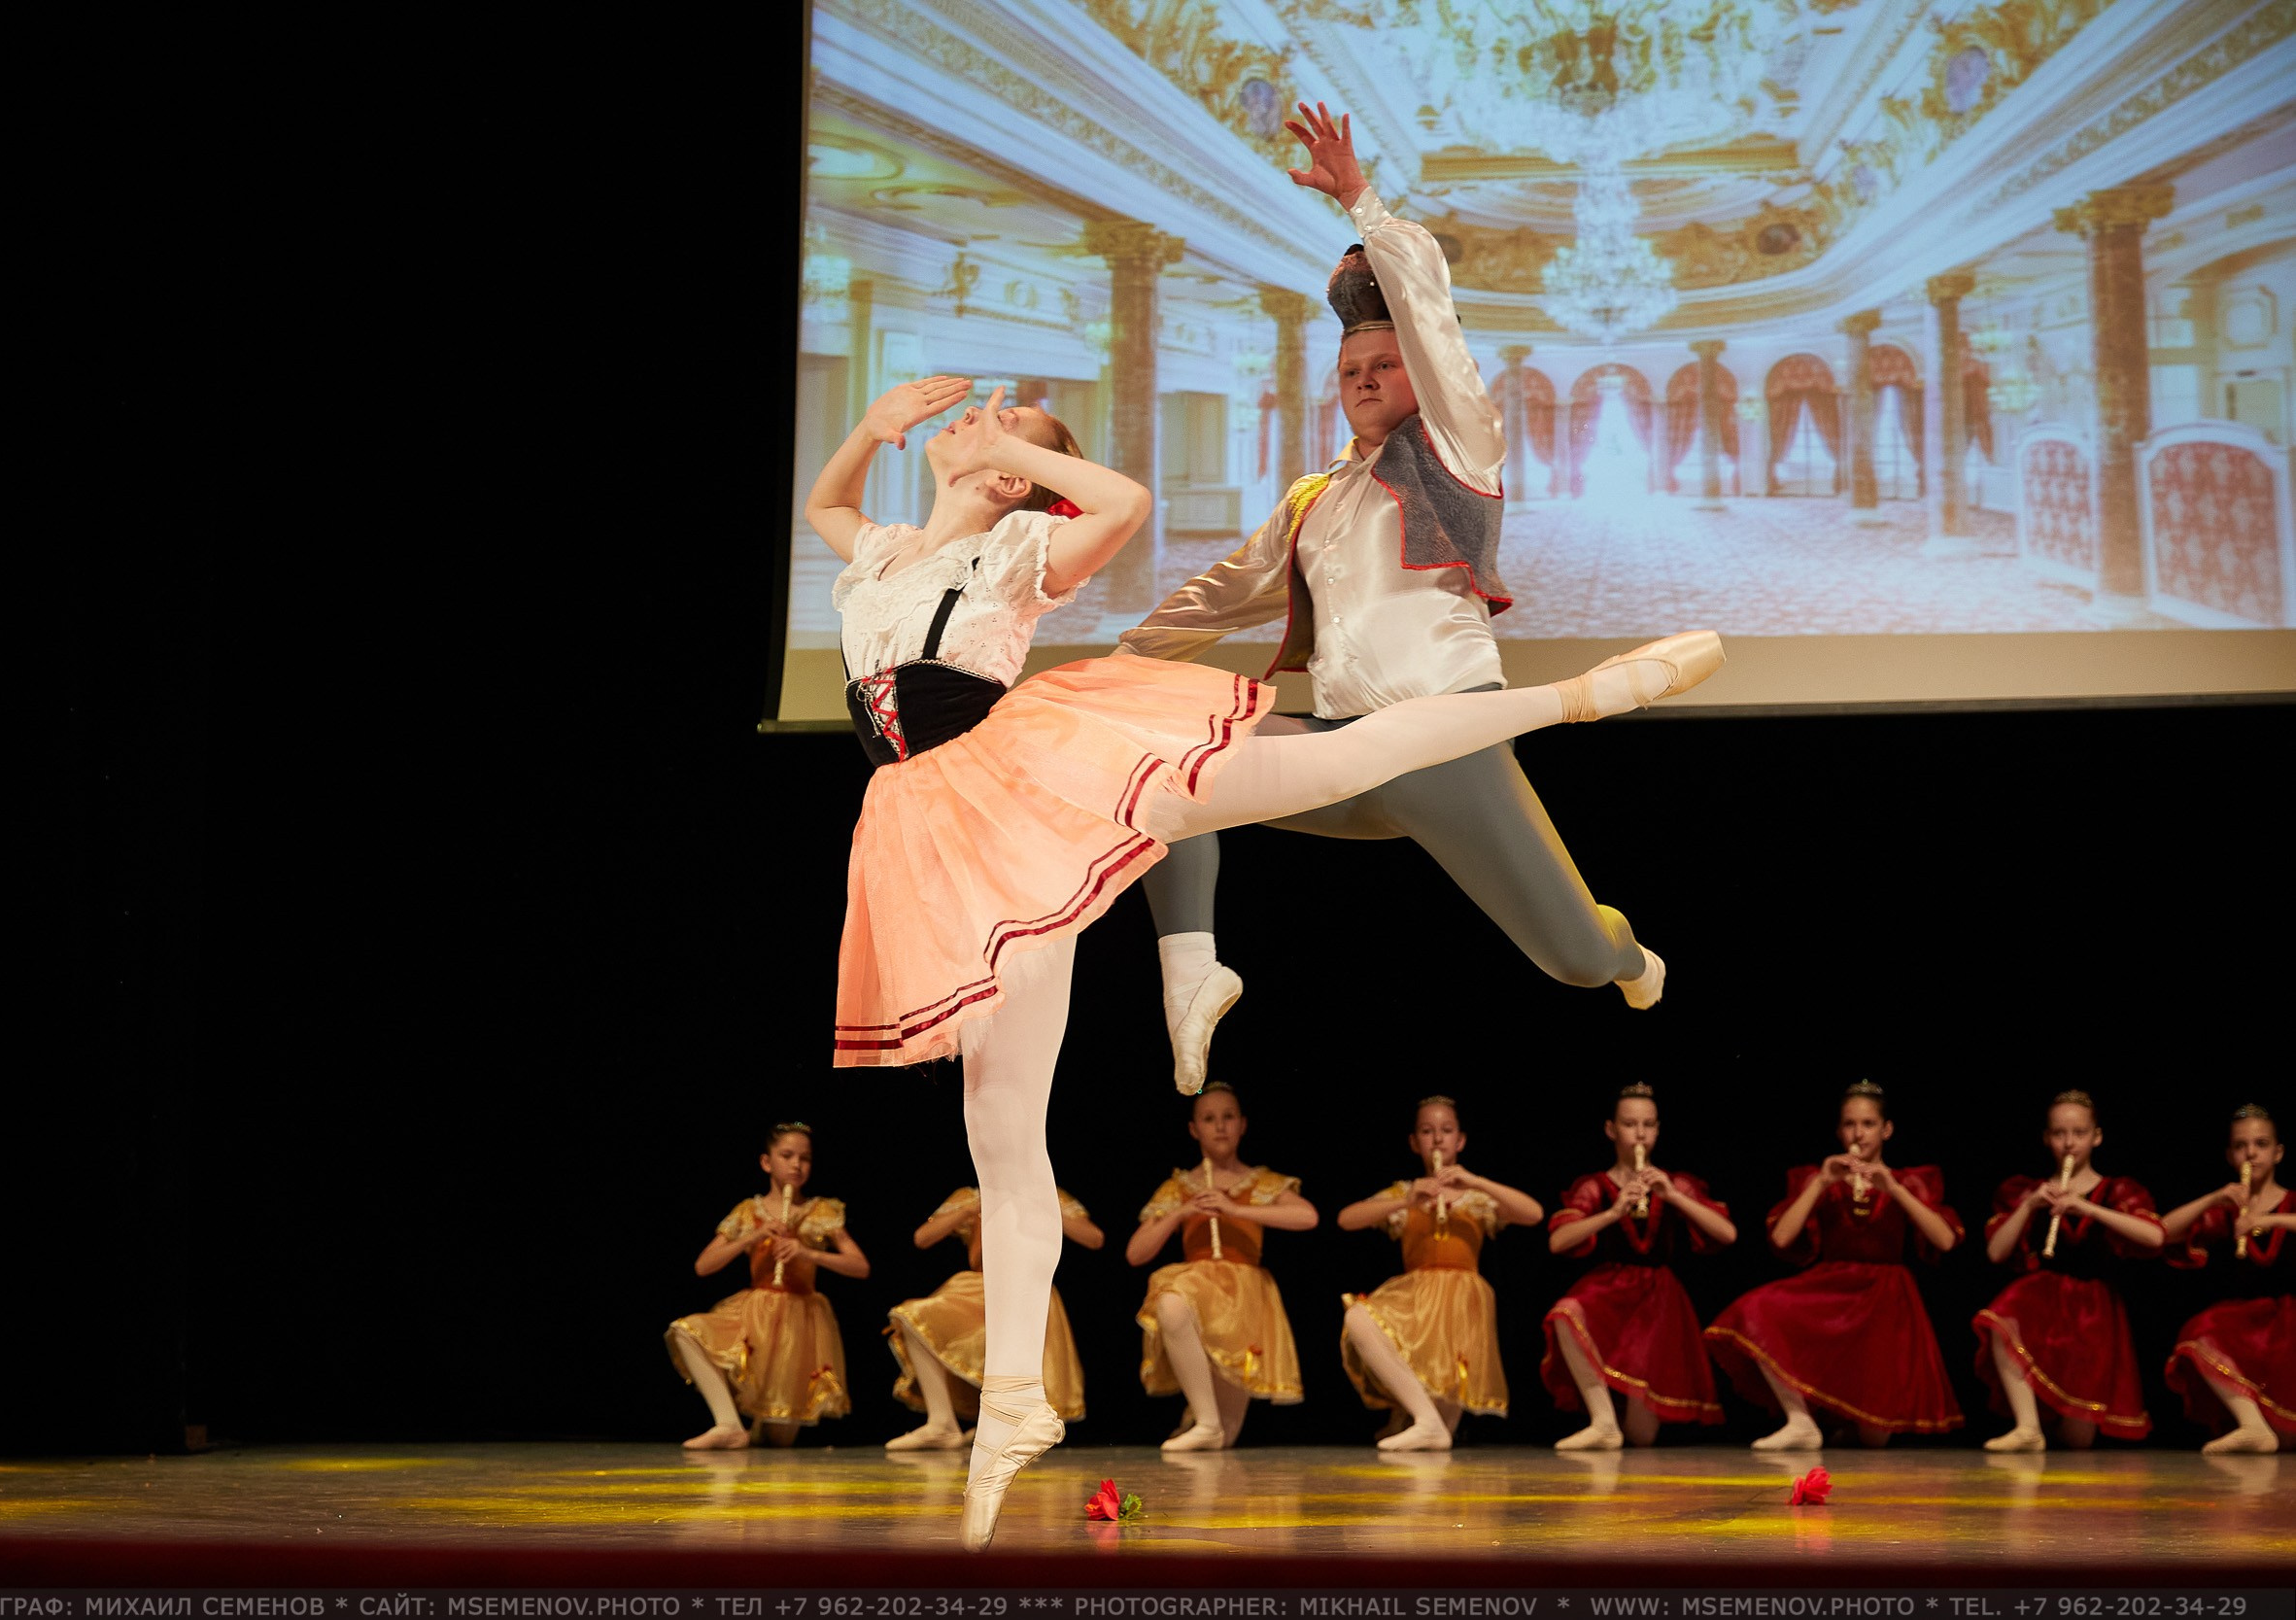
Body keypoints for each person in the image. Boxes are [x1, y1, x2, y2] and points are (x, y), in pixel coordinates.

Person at [807, 350, 1720, 1548]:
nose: (983, 422)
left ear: (1024, 481)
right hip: (927, 832)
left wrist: (1009, 457)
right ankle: (1012, 1412)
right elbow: (826, 507)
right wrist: (872, 430)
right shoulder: (879, 554)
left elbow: (1121, 505)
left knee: (1339, 757)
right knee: (1002, 1135)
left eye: (1010, 422)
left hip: (1021, 774)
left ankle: (1583, 695)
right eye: (986, 416)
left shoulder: (1019, 552)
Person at [1119, 101, 1668, 1096]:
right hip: (1336, 746)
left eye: (1384, 366)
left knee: (1573, 960)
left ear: (1422, 376)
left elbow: (1424, 311)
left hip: (1439, 740)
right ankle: (1192, 972)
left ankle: (1628, 956)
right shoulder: (1312, 497)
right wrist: (1121, 661)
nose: (1364, 380)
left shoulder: (1458, 451)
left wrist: (1361, 199)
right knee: (1163, 767)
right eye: (1349, 372)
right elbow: (1215, 595)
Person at [1703, 1081, 1965, 1448]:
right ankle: (1800, 1421)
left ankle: (1840, 1427)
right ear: (1839, 1130)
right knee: (1756, 1308)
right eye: (1849, 1124)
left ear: (1886, 1129)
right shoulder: (1824, 1178)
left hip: (1885, 1297)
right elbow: (1781, 1238)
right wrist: (1822, 1182)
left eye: (1869, 1124)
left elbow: (1946, 1240)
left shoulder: (1908, 1181)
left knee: (1874, 1437)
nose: (1859, 1133)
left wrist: (1895, 1189)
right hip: (1834, 1285)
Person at [1337, 1093, 1543, 1450]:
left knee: (1440, 1435)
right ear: (1415, 1142)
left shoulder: (1475, 1197)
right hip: (1416, 1298)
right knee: (1358, 1318)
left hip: (1462, 1302)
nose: (1437, 1139)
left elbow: (1533, 1214)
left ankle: (1425, 1424)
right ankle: (1423, 1419)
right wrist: (1407, 1199)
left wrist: (1475, 1181)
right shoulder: (1406, 1192)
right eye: (1427, 1131)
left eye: (1446, 1130)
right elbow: (1346, 1219)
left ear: (1460, 1140)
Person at [1542, 1083, 1733, 1449]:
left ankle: (1617, 1440)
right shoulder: (1596, 1185)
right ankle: (1602, 1420)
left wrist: (1672, 1195)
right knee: (1566, 1314)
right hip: (1611, 1290)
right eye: (1630, 1124)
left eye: (1648, 1124)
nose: (1640, 1134)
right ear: (1612, 1130)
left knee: (1642, 1438)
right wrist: (1613, 1213)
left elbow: (1727, 1234)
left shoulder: (1673, 1182)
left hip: (1658, 1302)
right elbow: (1558, 1241)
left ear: (1658, 1129)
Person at [1127, 1083, 1316, 1449]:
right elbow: (1136, 1253)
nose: (1220, 1126)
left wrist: (1234, 1209)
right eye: (1209, 1119)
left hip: (1243, 1298)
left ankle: (1205, 1425)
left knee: (1226, 1437)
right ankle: (1204, 1419)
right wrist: (1183, 1211)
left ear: (1242, 1124)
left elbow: (1307, 1216)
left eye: (1228, 1117)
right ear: (1194, 1129)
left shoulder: (1259, 1180)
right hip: (1199, 1284)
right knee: (1170, 1302)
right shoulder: (1180, 1185)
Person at [1974, 1089, 2163, 1451]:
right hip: (2042, 1299)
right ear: (2047, 1138)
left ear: (2097, 1136)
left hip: (2094, 1311)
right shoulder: (2029, 1191)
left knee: (2078, 1439)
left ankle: (2045, 1438)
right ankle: (2027, 1426)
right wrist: (2029, 1205)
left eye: (2078, 1134)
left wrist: (2090, 1210)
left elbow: (2154, 1236)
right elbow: (1996, 1252)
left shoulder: (2115, 1190)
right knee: (2001, 1319)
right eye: (2060, 1134)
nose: (2069, 1143)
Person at [664, 1121, 868, 1449]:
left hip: (799, 1323)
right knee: (686, 1332)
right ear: (766, 1162)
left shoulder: (821, 1209)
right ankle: (728, 1423)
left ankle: (750, 1433)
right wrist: (755, 1234)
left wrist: (807, 1252)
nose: (796, 1165)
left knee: (777, 1439)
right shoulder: (749, 1210)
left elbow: (860, 1266)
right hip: (755, 1314)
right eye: (786, 1156)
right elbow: (703, 1266)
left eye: (804, 1158)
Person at [883, 1185, 1101, 1450]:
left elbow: (1094, 1238)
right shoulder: (972, 1196)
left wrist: (1041, 1206)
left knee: (1013, 1356)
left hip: (1028, 1287)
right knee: (913, 1318)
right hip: (980, 1288)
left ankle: (1003, 1424)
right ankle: (942, 1422)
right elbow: (923, 1237)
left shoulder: (1043, 1190)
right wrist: (969, 1210)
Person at [2160, 1103, 2292, 1454]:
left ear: (2278, 1153)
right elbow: (2162, 1232)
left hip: (2289, 1321)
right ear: (2230, 1155)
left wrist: (2274, 1221)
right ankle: (2253, 1427)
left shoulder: (2291, 1202)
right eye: (2241, 1146)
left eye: (2261, 1144)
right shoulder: (2228, 1210)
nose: (2251, 1153)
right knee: (2204, 1329)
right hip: (2248, 1323)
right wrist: (2214, 1198)